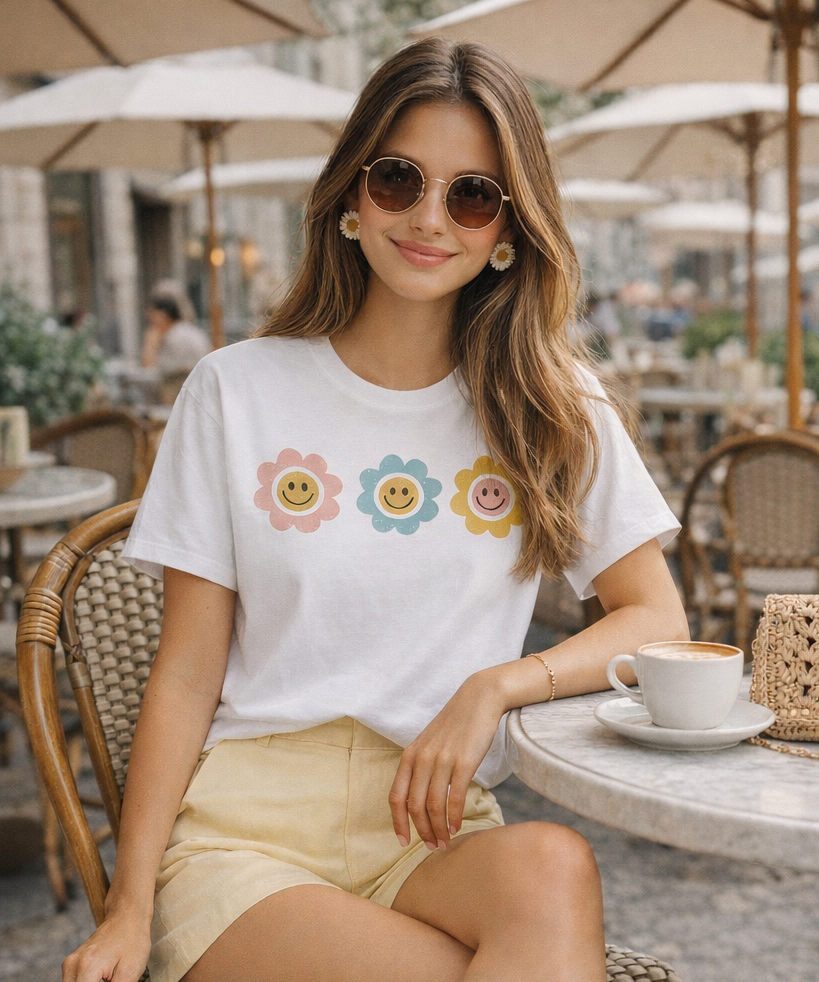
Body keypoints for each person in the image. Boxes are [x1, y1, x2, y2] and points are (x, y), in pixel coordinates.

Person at [62, 38, 687, 982]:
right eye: (400, 180)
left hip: (434, 828)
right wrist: (130, 904)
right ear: (353, 195)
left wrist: (496, 687)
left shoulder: (552, 406)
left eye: (473, 194)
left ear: (509, 228)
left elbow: (657, 620)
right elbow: (186, 675)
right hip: (247, 838)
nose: (431, 218)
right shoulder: (236, 391)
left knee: (554, 866)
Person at [141, 280, 211, 378]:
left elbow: (150, 373)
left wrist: (150, 344)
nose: (150, 320)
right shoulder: (188, 331)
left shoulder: (176, 337)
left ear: (163, 315)